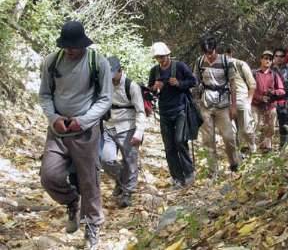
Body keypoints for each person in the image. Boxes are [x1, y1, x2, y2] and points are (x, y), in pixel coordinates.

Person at [39, 21, 112, 248]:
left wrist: (83, 121)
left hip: (86, 131)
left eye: (74, 46)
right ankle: (72, 202)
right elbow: (45, 95)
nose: (70, 50)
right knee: (49, 176)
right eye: (66, 46)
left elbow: (105, 98)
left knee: (89, 181)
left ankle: (92, 226)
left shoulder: (97, 62)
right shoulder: (52, 62)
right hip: (58, 131)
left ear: (83, 43)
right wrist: (54, 119)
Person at [148, 42, 197, 189]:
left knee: (180, 140)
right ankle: (177, 177)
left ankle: (189, 173)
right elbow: (149, 91)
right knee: (169, 146)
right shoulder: (154, 71)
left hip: (180, 109)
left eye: (162, 57)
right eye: (158, 58)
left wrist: (179, 83)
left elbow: (193, 81)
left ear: (168, 55)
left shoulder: (180, 66)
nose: (161, 60)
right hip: (164, 111)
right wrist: (154, 88)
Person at [101, 56, 145, 207]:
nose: (111, 78)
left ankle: (128, 192)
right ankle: (121, 181)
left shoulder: (131, 86)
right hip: (108, 126)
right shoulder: (104, 83)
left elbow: (140, 111)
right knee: (106, 159)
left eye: (113, 74)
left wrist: (139, 132)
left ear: (120, 70)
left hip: (128, 127)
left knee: (130, 161)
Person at [194, 35, 240, 177]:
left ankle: (234, 163)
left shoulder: (226, 62)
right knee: (208, 139)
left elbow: (232, 84)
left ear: (215, 49)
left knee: (228, 137)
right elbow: (195, 81)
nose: (209, 55)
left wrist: (233, 105)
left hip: (223, 104)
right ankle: (213, 170)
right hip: (206, 104)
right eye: (206, 53)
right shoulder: (200, 62)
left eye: (211, 52)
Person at [224, 48, 257, 154]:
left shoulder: (240, 64)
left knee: (246, 130)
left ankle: (253, 149)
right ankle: (238, 155)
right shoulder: (217, 68)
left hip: (242, 100)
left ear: (229, 53)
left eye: (224, 55)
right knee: (231, 132)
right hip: (226, 102)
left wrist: (249, 100)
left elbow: (252, 84)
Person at [252, 50, 285, 152]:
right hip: (256, 104)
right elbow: (249, 89)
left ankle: (267, 147)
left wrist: (273, 92)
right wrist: (260, 97)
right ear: (261, 59)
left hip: (270, 105)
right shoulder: (254, 73)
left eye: (270, 59)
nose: (268, 61)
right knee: (254, 125)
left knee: (270, 127)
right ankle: (251, 148)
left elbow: (282, 90)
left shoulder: (274, 75)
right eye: (265, 58)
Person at [271, 47, 288, 149]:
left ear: (285, 57)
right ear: (273, 58)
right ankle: (267, 148)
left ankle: (284, 147)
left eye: (281, 56)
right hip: (271, 102)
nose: (279, 58)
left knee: (285, 125)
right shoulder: (269, 70)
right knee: (269, 126)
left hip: (285, 101)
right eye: (276, 56)